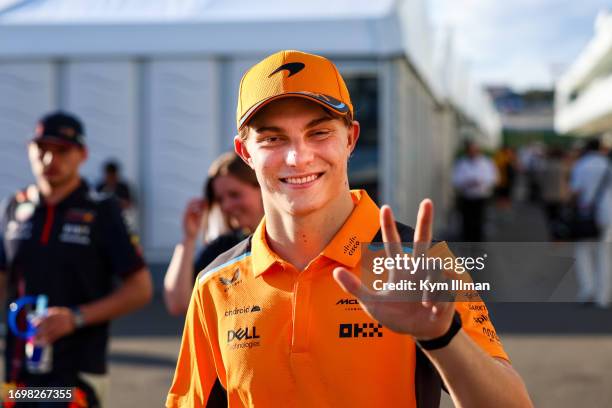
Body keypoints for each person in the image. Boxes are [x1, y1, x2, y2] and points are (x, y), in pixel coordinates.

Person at [166, 50, 532, 407]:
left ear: (351, 139)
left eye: (319, 132)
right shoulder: (216, 284)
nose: (298, 157)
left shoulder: (420, 262)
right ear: (245, 153)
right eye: (272, 138)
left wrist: (443, 337)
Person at [0, 111, 153, 406]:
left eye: (62, 150)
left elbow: (141, 289)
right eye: (42, 149)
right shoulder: (14, 207)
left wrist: (75, 317)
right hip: (19, 372)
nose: (49, 160)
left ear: (82, 154)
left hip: (77, 375)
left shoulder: (102, 210)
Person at [163, 152, 264, 315]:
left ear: (260, 187)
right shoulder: (225, 248)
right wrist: (188, 239)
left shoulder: (289, 242)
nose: (226, 206)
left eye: (234, 195)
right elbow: (178, 304)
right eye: (220, 199)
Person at [570, 138, 612, 308]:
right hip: (608, 214)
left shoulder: (581, 165)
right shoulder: (608, 165)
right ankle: (603, 296)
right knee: (605, 254)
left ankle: (588, 290)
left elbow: (575, 190)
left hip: (587, 215)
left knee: (583, 252)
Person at [452, 140, 498, 241]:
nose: (472, 153)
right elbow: (456, 179)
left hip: (481, 197)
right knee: (467, 221)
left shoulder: (486, 163)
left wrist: (480, 182)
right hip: (466, 197)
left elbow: (493, 178)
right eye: (470, 150)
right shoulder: (462, 163)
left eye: (475, 150)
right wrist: (467, 183)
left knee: (479, 220)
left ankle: (478, 240)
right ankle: (467, 240)